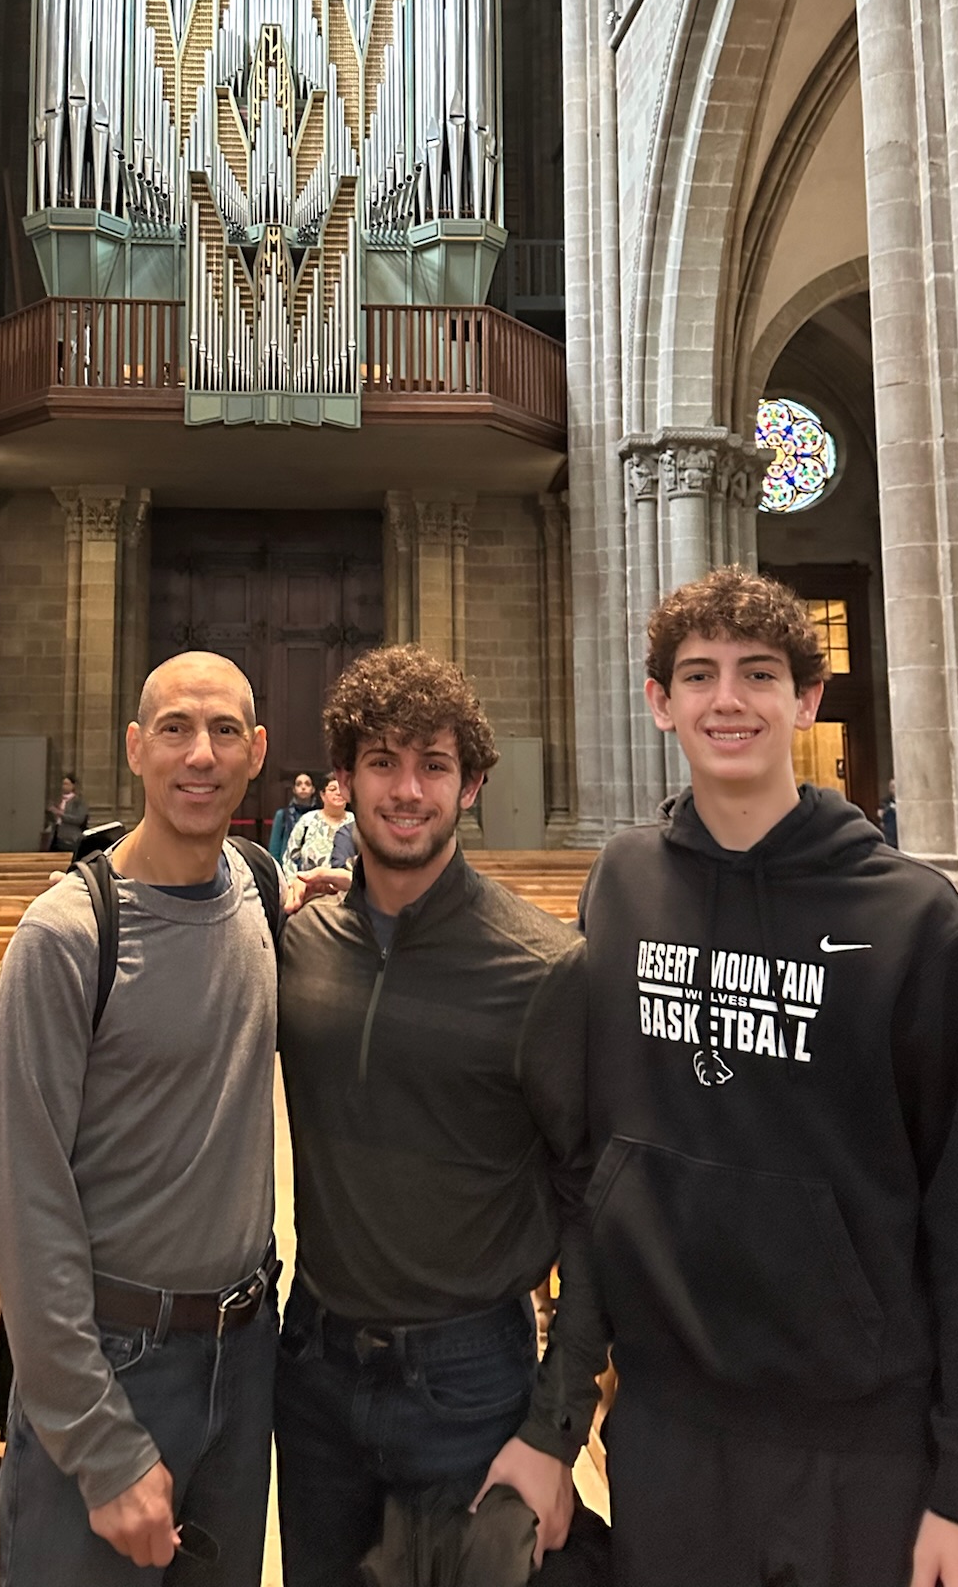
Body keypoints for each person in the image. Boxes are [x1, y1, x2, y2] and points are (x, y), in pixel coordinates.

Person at [556, 567, 958, 1587]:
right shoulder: (624, 883)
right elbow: (594, 1136)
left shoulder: (910, 916)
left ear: (806, 698)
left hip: (860, 1435)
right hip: (670, 1417)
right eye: (699, 675)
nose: (728, 699)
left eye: (759, 673)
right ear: (660, 701)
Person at [275, 645, 595, 1586]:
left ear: (472, 785)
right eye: (381, 761)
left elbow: (594, 1213)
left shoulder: (543, 967)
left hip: (468, 1377)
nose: (405, 789)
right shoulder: (299, 946)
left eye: (433, 765)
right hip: (316, 1363)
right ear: (343, 779)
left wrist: (556, 1431)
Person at [0, 651, 283, 1585]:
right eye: (175, 729)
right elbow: (23, 1209)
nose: (201, 754)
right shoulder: (65, 938)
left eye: (224, 731)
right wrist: (99, 1443)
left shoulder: (263, 890)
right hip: (112, 1365)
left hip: (243, 1357)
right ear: (135, 748)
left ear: (257, 752)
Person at [281, 771, 351, 878]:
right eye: (332, 789)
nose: (338, 793)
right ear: (323, 795)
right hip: (310, 888)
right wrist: (293, 883)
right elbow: (290, 857)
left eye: (342, 789)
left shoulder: (356, 821)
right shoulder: (307, 820)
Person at [269, 770, 320, 865]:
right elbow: (274, 849)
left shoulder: (319, 815)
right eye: (299, 784)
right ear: (294, 789)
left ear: (313, 789)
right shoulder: (283, 815)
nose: (303, 787)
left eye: (307, 784)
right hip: (287, 868)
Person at [45, 772, 90, 855]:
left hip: (71, 837)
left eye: (66, 784)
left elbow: (79, 819)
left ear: (73, 786)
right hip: (56, 835)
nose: (64, 786)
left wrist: (61, 814)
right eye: (63, 784)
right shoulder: (58, 800)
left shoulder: (78, 802)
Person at [880, 774, 899, 847]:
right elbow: (881, 815)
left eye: (894, 787)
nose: (893, 789)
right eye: (891, 787)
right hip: (890, 835)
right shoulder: (885, 802)